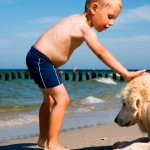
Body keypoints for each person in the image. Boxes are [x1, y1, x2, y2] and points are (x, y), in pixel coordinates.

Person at [26, 0, 146, 149]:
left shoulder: (73, 19)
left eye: (114, 18)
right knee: (62, 99)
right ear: (94, 8)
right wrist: (125, 73)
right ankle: (52, 143)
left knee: (49, 101)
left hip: (37, 58)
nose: (112, 22)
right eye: (109, 16)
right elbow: (101, 52)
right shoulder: (84, 28)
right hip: (42, 60)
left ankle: (43, 140)